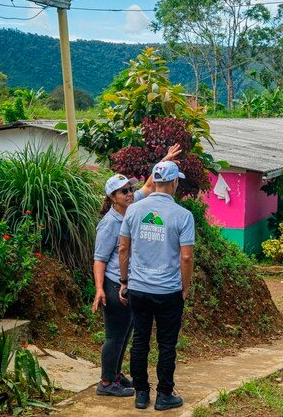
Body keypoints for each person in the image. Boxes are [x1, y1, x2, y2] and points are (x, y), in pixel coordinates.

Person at [91, 145, 182, 397]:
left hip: (130, 283)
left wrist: (163, 162)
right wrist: (100, 290)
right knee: (114, 335)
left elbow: (151, 185)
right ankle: (106, 383)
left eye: (130, 189)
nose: (130, 193)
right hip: (113, 283)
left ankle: (117, 374)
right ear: (112, 197)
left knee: (127, 332)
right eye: (124, 191)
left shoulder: (135, 206)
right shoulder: (110, 223)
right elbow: (99, 259)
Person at [118, 160, 195, 411]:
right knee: (166, 344)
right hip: (168, 291)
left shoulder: (133, 210)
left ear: (155, 180)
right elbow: (186, 257)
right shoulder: (183, 216)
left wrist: (124, 281)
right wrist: (184, 287)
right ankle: (164, 395)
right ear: (174, 182)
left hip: (139, 289)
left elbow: (123, 249)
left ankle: (141, 394)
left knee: (140, 341)